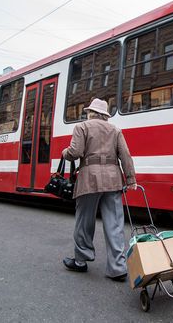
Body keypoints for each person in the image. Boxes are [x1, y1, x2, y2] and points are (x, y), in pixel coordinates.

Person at [61, 98, 137, 282]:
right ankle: (118, 268)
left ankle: (81, 260)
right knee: (115, 224)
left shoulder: (82, 127)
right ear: (105, 115)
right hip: (113, 179)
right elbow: (125, 155)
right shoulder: (115, 130)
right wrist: (131, 179)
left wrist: (65, 153)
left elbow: (75, 152)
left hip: (89, 179)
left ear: (91, 112)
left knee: (84, 222)